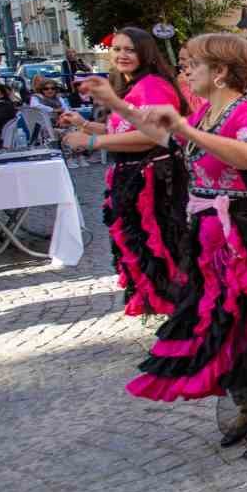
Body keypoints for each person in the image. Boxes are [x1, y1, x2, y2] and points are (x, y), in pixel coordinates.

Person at [87, 33, 247, 459]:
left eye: (193, 65)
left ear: (220, 72)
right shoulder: (204, 112)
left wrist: (183, 128)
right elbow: (162, 135)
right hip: (210, 238)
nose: (185, 71)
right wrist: (116, 102)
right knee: (224, 329)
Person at [60, 27, 190, 317]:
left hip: (154, 179)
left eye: (129, 49)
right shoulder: (133, 86)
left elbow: (155, 136)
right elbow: (123, 129)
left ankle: (182, 316)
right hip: (133, 177)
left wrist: (94, 141)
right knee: (148, 252)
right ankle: (175, 316)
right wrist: (84, 125)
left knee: (163, 249)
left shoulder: (152, 85)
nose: (122, 55)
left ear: (145, 51)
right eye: (117, 49)